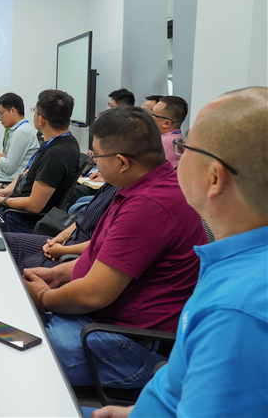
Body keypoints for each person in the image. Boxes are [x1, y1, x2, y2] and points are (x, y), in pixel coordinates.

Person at [91, 87, 268, 418]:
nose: (176, 155)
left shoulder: (237, 310)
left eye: (185, 147)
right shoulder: (234, 261)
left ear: (214, 178)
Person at [22, 106, 207, 390]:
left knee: (19, 358)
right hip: (102, 325)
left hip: (124, 344)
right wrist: (57, 274)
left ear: (121, 162)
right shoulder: (140, 188)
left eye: (96, 156)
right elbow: (103, 257)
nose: (94, 161)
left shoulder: (149, 205)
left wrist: (44, 298)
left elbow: (94, 293)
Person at [0, 90, 81, 234]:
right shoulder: (60, 142)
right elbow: (27, 172)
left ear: (41, 119)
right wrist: (7, 191)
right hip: (15, 208)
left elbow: (34, 205)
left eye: (34, 111)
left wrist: (2, 201)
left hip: (22, 219)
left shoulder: (55, 154)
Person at [5, 182, 119, 273]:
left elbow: (103, 244)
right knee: (5, 241)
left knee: (20, 269)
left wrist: (63, 251)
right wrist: (59, 238)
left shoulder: (125, 201)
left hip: (81, 255)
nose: (95, 162)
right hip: (72, 240)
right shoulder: (110, 185)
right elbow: (82, 220)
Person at [0, 93, 40, 192]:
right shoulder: (18, 130)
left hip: (6, 185)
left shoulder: (21, 132)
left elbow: (8, 168)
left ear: (13, 110)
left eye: (1, 113)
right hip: (1, 179)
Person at [149, 95, 188, 169]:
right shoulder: (177, 140)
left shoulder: (163, 143)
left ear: (166, 123)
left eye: (152, 114)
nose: (148, 117)